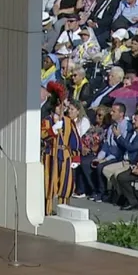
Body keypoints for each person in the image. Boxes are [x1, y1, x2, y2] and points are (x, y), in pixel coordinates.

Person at [41, 81, 81, 215]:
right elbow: (41, 136)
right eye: (58, 106)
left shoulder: (69, 122)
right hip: (50, 155)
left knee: (65, 186)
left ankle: (64, 211)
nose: (61, 108)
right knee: (49, 185)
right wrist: (51, 131)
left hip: (65, 155)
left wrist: (75, 157)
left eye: (62, 105)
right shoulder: (47, 120)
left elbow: (75, 140)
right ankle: (47, 210)